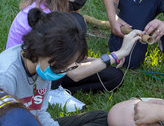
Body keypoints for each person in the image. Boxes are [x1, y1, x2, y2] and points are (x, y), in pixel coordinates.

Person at [5, 0, 124, 111]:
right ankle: (52, 91)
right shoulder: (45, 16)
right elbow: (72, 70)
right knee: (77, 22)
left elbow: (70, 57)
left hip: (55, 65)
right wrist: (116, 55)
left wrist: (104, 60)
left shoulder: (60, 9)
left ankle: (55, 89)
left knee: (113, 76)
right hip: (35, 73)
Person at [0, 8, 141, 126]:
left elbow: (40, 112)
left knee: (102, 118)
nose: (63, 72)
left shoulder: (42, 66)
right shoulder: (6, 75)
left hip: (34, 121)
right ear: (44, 52)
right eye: (62, 67)